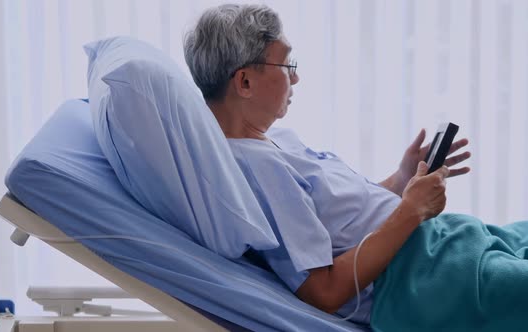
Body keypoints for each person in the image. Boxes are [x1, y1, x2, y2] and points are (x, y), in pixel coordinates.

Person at [184, 4, 528, 331]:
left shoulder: (276, 141)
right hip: (422, 281)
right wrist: (411, 209)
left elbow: (343, 220)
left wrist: (401, 180)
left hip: (446, 244)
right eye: (288, 66)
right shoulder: (256, 169)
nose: (297, 78)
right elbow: (325, 291)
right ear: (244, 82)